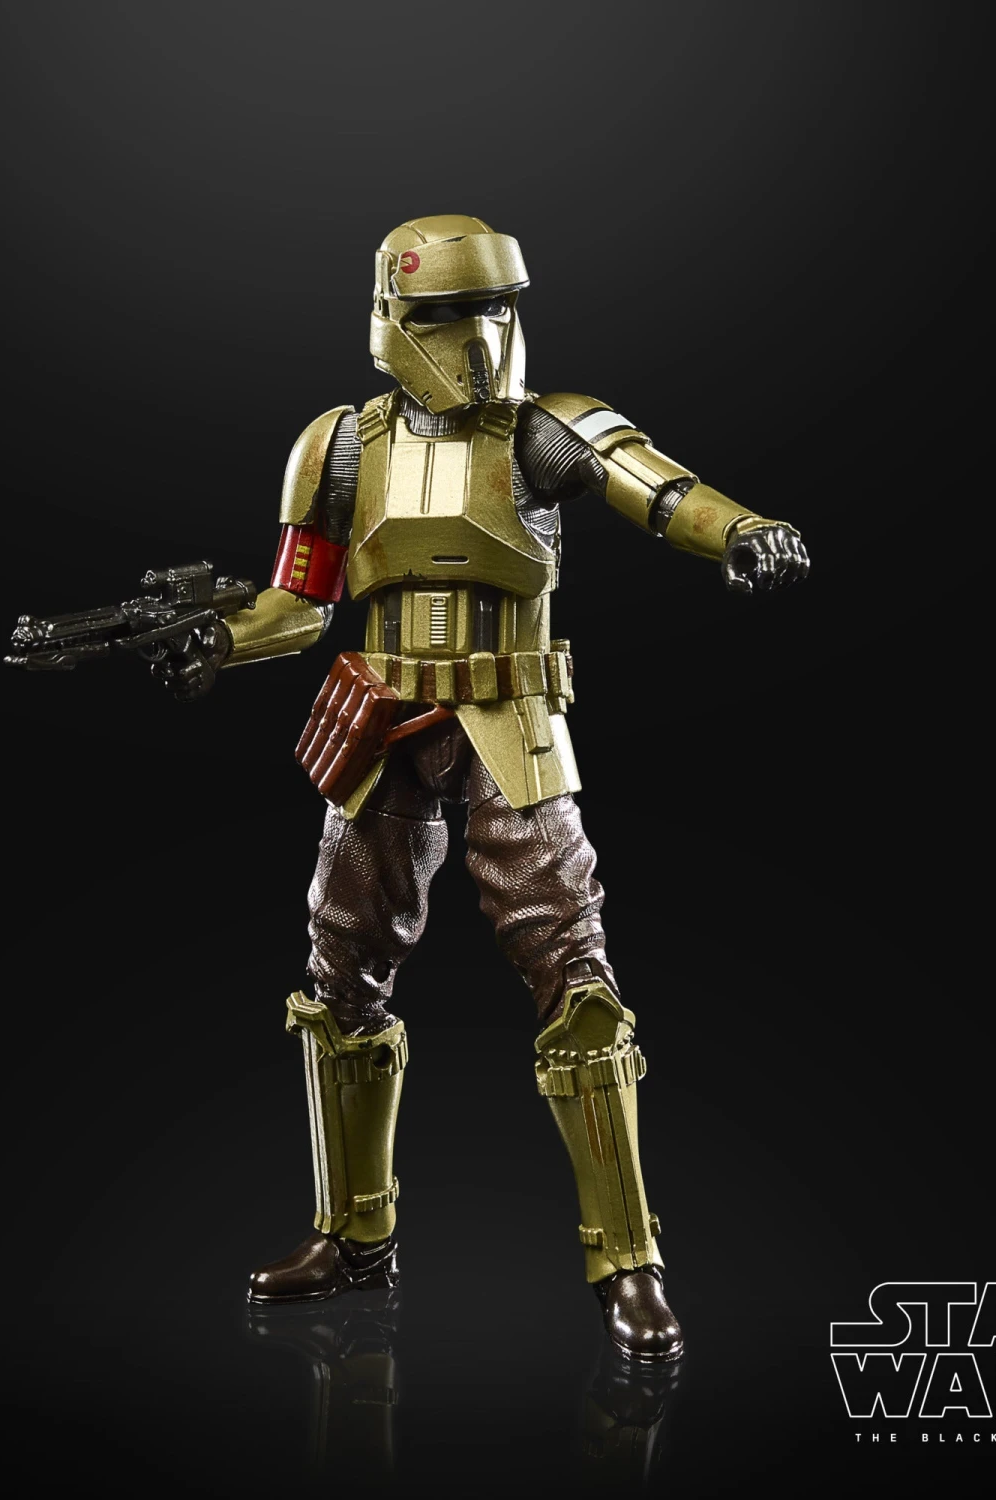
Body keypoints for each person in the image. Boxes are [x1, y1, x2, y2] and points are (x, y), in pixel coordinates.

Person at [216, 216, 809, 1362]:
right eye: (449, 313)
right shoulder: (340, 448)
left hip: (511, 725)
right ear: (396, 318)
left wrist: (742, 530)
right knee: (339, 976)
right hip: (385, 721)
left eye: (495, 307)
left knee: (578, 985)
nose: (479, 335)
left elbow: (658, 487)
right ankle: (354, 1238)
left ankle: (628, 1262)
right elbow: (297, 601)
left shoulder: (542, 432)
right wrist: (218, 640)